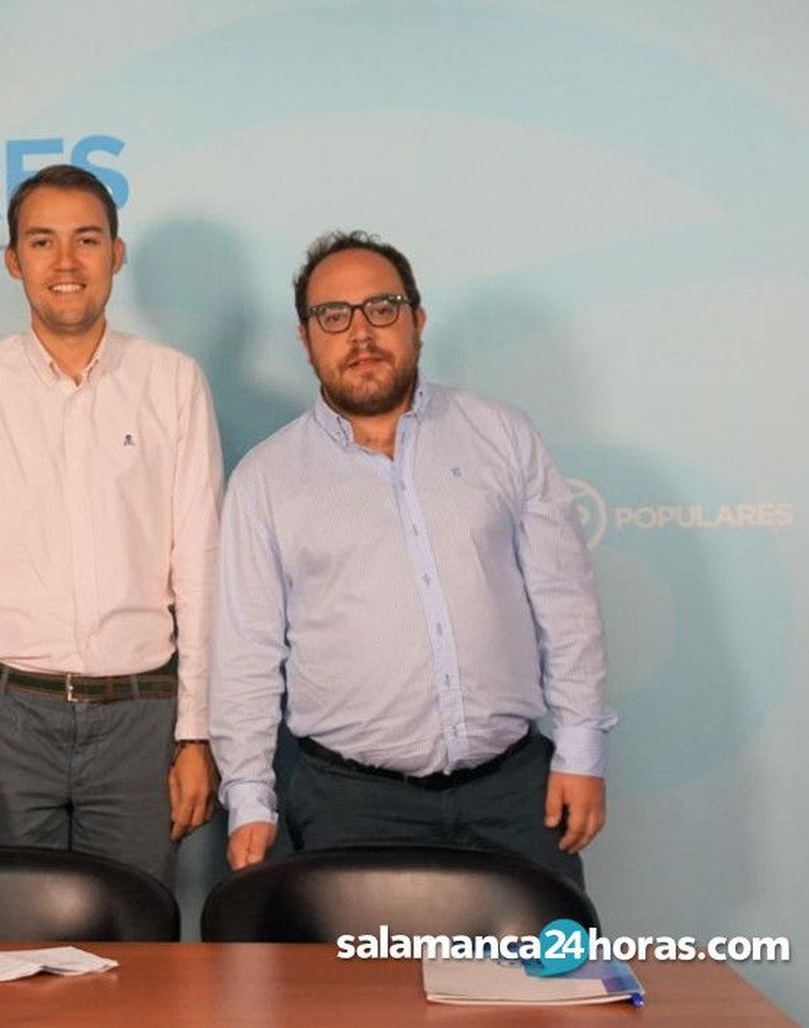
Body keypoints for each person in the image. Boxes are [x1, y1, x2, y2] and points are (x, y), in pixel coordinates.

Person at [210, 231, 617, 886]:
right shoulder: (266, 478)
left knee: (546, 987)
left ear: (417, 320)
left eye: (382, 308)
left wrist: (581, 751)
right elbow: (246, 656)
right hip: (350, 808)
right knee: (365, 993)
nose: (360, 333)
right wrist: (250, 800)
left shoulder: (503, 435)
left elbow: (565, 607)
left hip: (516, 797)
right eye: (333, 316)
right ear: (306, 338)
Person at [0, 164, 223, 888]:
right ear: (14, 261)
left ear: (117, 253)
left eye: (87, 239)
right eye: (43, 242)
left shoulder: (173, 383)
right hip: (5, 719)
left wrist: (198, 732)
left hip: (142, 718)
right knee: (11, 947)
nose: (67, 262)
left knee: (134, 953)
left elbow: (199, 568)